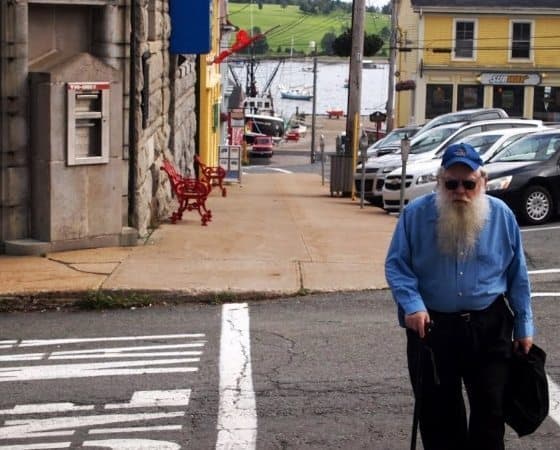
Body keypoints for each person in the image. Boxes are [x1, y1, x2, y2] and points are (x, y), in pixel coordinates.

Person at [385, 142, 534, 450]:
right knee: (439, 419)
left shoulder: (503, 216)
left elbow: (517, 275)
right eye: (451, 184)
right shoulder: (415, 215)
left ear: (483, 182)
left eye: (469, 184)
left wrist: (524, 326)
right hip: (433, 328)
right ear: (440, 182)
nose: (460, 191)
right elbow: (397, 265)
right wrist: (412, 305)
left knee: (490, 416)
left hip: (489, 326)